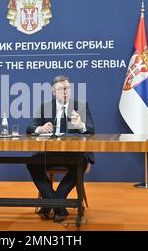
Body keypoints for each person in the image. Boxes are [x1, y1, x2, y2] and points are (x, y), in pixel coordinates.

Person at [26, 75, 95, 222]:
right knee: (32, 162)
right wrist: (40, 128)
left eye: (68, 88)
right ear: (53, 91)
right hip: (50, 153)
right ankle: (59, 206)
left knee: (81, 162)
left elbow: (91, 129)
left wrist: (80, 125)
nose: (65, 92)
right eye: (61, 89)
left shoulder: (80, 106)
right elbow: (30, 127)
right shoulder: (45, 107)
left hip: (74, 154)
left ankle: (49, 203)